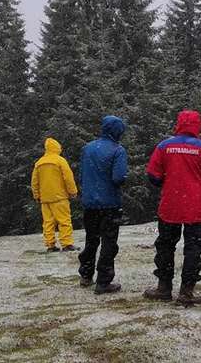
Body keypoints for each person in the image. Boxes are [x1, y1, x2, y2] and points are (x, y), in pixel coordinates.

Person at [144, 110, 201, 305]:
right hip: (195, 206)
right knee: (193, 248)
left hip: (170, 204)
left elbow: (153, 175)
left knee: (165, 246)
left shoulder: (164, 146)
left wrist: (168, 183)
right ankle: (186, 291)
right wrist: (200, 185)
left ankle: (164, 287)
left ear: (178, 124)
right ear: (198, 126)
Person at [78, 116, 129, 294]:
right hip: (109, 203)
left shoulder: (87, 148)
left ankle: (85, 274)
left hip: (90, 202)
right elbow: (118, 177)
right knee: (109, 242)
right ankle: (103, 281)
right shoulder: (118, 150)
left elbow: (81, 174)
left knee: (91, 239)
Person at [31, 137, 78, 252]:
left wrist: (36, 195)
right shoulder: (60, 160)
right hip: (60, 197)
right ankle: (67, 244)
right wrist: (73, 191)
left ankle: (50, 244)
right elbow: (68, 178)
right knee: (64, 221)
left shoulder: (39, 163)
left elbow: (34, 181)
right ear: (57, 148)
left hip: (45, 199)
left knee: (48, 222)